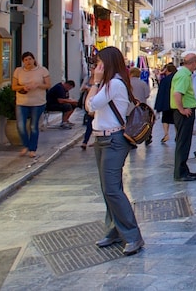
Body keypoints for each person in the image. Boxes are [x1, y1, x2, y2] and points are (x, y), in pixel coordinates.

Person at [87, 45, 144, 256]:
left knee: (112, 190)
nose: (97, 67)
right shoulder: (108, 84)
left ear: (108, 63)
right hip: (101, 138)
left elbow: (90, 106)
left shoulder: (114, 84)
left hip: (113, 140)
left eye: (100, 63)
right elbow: (91, 107)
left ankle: (133, 236)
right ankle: (114, 231)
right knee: (107, 189)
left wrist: (95, 82)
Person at [12, 51, 51, 158]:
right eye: (25, 60)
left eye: (30, 59)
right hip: (22, 102)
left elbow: (48, 85)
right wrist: (23, 87)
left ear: (34, 59)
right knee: (20, 125)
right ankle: (26, 145)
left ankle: (32, 149)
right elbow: (14, 87)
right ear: (23, 62)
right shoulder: (18, 71)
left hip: (37, 102)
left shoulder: (42, 70)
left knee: (33, 126)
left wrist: (38, 85)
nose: (28, 61)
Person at [171, 53, 196, 181]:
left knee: (184, 141)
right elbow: (177, 93)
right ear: (193, 63)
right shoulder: (183, 75)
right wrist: (182, 109)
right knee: (183, 142)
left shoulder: (184, 73)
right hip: (184, 113)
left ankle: (183, 169)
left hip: (185, 111)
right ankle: (180, 173)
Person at [128, 67, 153, 145]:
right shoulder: (143, 83)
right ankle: (147, 137)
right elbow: (147, 95)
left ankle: (131, 141)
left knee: (130, 124)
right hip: (141, 107)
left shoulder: (127, 83)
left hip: (129, 108)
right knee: (143, 123)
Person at [154, 63, 178, 143]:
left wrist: (158, 107)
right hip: (176, 103)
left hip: (166, 103)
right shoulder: (178, 78)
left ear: (168, 70)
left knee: (165, 119)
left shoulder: (164, 80)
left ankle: (166, 134)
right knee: (176, 120)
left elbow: (161, 93)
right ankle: (177, 135)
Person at [78, 75, 96, 151]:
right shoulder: (87, 78)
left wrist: (91, 89)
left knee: (95, 124)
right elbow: (81, 89)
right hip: (87, 103)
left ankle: (92, 141)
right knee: (89, 124)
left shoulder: (102, 78)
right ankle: (85, 142)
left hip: (97, 104)